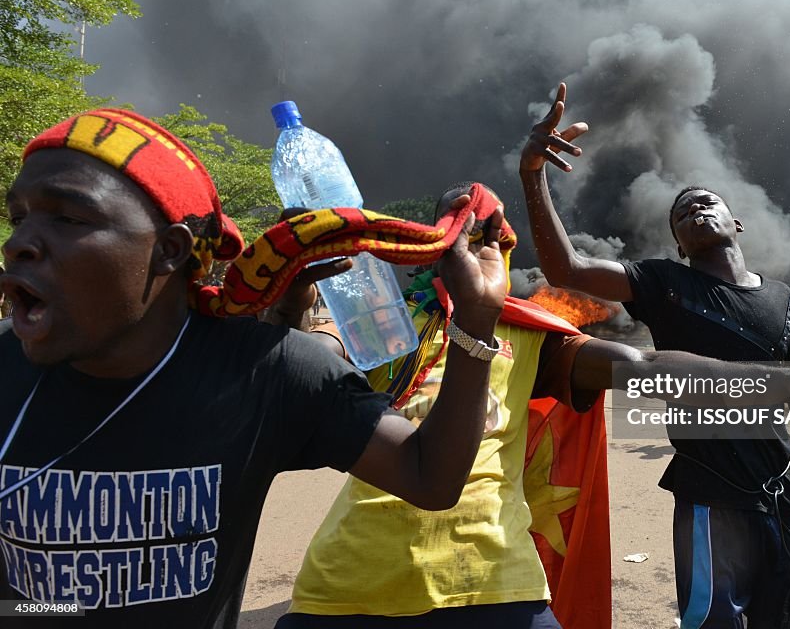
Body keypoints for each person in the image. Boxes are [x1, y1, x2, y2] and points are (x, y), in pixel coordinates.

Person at [273, 182, 790, 629]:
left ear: (506, 254)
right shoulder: (385, 328)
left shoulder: (534, 337)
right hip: (346, 586)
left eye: (488, 234)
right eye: (453, 230)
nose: (470, 243)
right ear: (424, 244)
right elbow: (296, 372)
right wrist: (288, 305)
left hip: (495, 582)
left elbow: (651, 369)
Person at [0, 108, 509, 628]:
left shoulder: (263, 369)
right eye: (19, 217)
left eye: (68, 218)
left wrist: (476, 316)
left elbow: (430, 477)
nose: (17, 243)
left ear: (169, 250)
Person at [517, 84, 790, 628]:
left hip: (780, 492)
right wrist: (533, 175)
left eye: (706, 201)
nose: (693, 207)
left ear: (735, 223)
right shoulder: (663, 283)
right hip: (708, 497)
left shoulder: (787, 301)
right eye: (680, 213)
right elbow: (568, 271)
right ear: (677, 244)